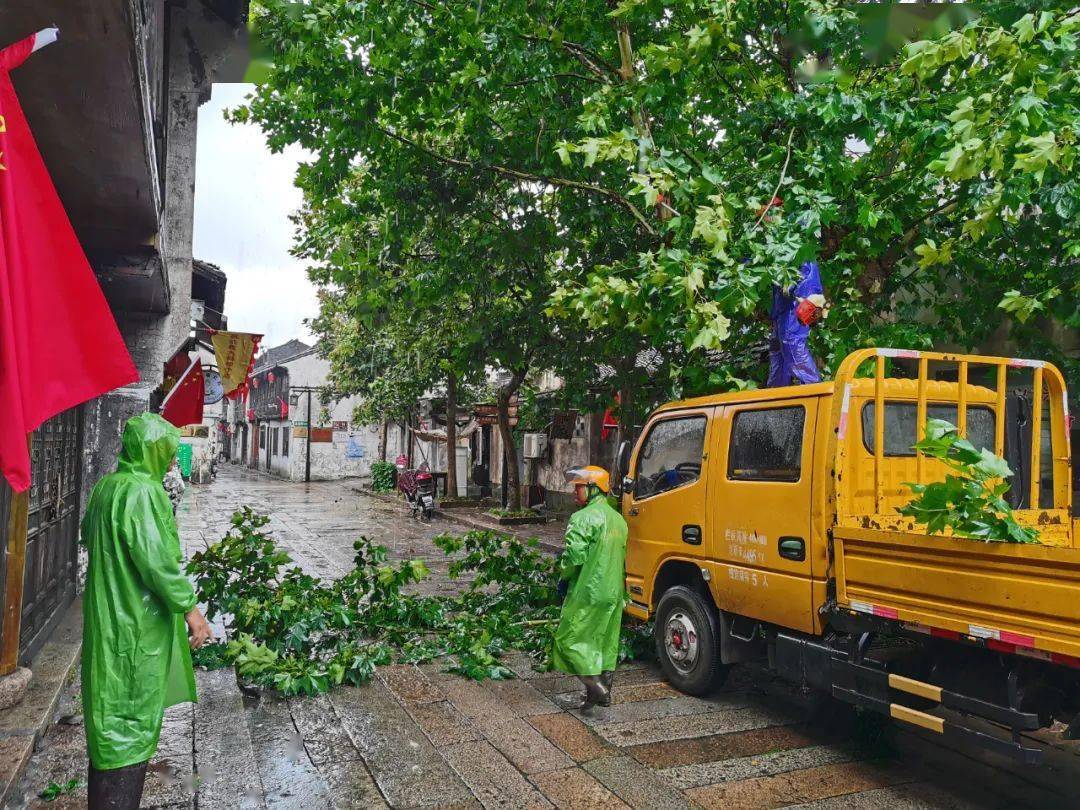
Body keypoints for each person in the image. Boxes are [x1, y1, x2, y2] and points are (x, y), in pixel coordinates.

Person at [81, 413, 212, 809]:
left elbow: (89, 534)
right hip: (134, 621)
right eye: (168, 452)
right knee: (131, 713)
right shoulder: (143, 492)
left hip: (105, 612)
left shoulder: (106, 487)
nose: (172, 461)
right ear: (154, 451)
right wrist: (191, 610)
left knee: (107, 711)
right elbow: (157, 563)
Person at [552, 466, 628, 711]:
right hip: (614, 592)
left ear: (594, 488)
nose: (575, 491)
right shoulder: (619, 520)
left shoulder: (582, 518)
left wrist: (563, 577)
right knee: (605, 642)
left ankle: (598, 689)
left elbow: (574, 557)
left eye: (579, 487)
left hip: (588, 591)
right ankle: (596, 693)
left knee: (568, 640)